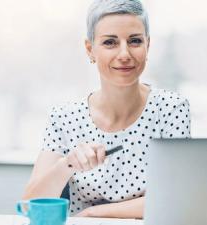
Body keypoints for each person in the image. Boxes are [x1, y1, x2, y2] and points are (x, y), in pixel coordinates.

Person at [23, 0, 191, 219]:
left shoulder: (171, 109)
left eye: (135, 41)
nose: (124, 54)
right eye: (110, 42)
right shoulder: (64, 117)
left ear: (147, 45)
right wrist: (67, 165)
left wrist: (94, 213)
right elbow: (29, 206)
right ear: (90, 49)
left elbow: (176, 197)